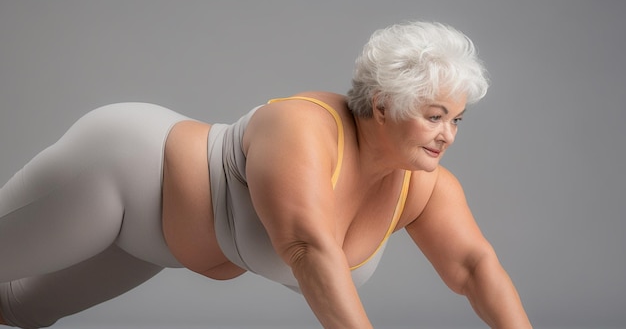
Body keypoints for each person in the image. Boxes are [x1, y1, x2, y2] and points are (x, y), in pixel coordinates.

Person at [0, 21, 532, 328]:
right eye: (434, 116)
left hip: (153, 244)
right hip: (119, 170)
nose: (448, 134)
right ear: (383, 105)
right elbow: (306, 246)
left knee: (21, 309)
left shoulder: (424, 187)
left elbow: (473, 267)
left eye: (456, 119)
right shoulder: (304, 125)